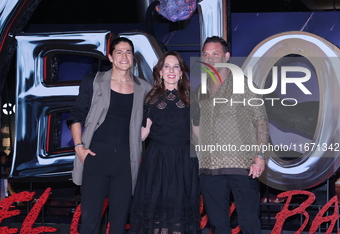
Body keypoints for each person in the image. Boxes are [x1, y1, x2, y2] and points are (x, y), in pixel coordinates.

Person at [67, 37, 151, 234]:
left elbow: (151, 115)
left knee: (120, 222)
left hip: (125, 160)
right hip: (95, 157)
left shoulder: (144, 88)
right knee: (90, 221)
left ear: (133, 58)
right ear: (110, 57)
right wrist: (79, 147)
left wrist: (146, 130)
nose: (124, 56)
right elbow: (77, 115)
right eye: (119, 52)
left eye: (128, 52)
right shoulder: (94, 81)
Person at [193, 36, 269, 234]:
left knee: (249, 221)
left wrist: (259, 158)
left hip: (243, 165)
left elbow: (261, 121)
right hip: (210, 168)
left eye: (215, 54)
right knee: (218, 225)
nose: (209, 59)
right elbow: (197, 127)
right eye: (206, 55)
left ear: (226, 57)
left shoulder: (245, 85)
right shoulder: (200, 90)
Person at [129, 51, 200, 234]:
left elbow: (198, 134)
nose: (171, 70)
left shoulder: (192, 98)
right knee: (157, 215)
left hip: (184, 161)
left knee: (178, 215)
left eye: (176, 66)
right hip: (157, 161)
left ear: (181, 72)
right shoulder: (151, 99)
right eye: (166, 66)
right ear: (160, 71)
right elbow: (143, 134)